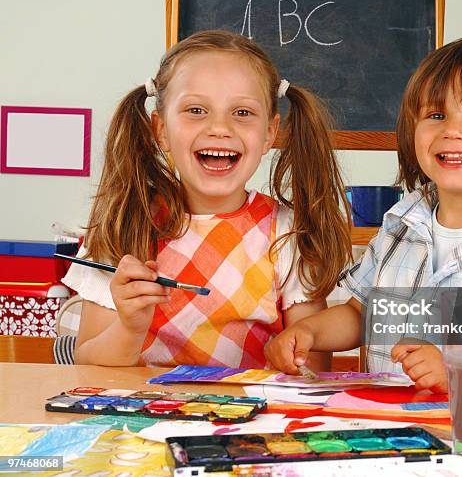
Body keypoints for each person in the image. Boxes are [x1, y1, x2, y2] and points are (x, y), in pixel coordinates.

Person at [265, 36, 462, 393]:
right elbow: (360, 313)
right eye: (436, 115)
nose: (453, 130)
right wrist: (309, 331)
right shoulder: (400, 224)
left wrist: (453, 371)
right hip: (401, 427)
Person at [62, 30, 352, 368]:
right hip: (142, 418)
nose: (219, 127)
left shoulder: (288, 234)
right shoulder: (122, 225)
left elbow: (312, 369)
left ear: (270, 133)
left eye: (242, 113)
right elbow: (87, 365)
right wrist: (130, 326)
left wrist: (291, 359)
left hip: (249, 419)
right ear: (161, 130)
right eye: (196, 110)